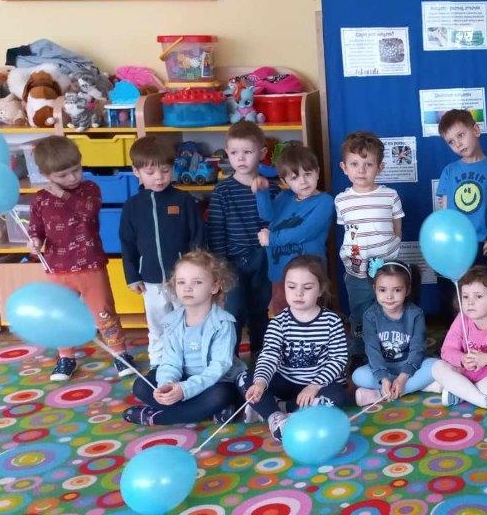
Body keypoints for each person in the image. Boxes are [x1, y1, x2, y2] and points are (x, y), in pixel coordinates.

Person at [27, 136, 135, 381]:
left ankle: (120, 353)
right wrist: (34, 242)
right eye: (63, 175)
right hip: (57, 269)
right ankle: (66, 357)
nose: (72, 178)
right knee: (62, 315)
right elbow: (36, 228)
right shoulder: (41, 199)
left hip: (91, 265)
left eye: (76, 170)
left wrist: (61, 194)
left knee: (104, 312)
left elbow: (86, 212)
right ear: (46, 174)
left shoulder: (90, 189)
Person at [124, 250, 244, 426]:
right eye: (181, 282)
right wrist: (168, 385)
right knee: (141, 386)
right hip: (182, 379)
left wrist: (185, 390)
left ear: (214, 287)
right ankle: (204, 412)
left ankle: (159, 417)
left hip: (214, 382)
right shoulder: (172, 322)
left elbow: (218, 368)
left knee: (222, 395)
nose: (187, 288)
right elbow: (170, 362)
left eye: (197, 282)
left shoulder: (223, 323)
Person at [241, 255, 352, 441]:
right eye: (291, 287)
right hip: (286, 382)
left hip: (319, 385)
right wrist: (260, 382)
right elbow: (269, 356)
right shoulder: (278, 322)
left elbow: (338, 359)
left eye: (307, 288)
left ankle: (283, 408)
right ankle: (275, 417)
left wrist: (314, 385)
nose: (298, 293)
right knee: (246, 378)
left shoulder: (332, 321)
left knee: (339, 397)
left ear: (320, 290)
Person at [119, 136, 204, 368]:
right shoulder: (132, 207)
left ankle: (192, 362)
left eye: (165, 171)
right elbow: (127, 243)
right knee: (157, 326)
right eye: (150, 172)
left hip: (183, 280)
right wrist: (132, 276)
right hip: (151, 281)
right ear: (136, 171)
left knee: (189, 322)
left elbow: (198, 236)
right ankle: (158, 364)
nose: (159, 177)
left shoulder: (184, 201)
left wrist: (198, 272)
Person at [208, 121, 279, 357]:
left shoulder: (272, 188)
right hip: (233, 262)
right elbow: (216, 230)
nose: (241, 158)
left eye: (247, 152)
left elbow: (276, 224)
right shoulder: (222, 191)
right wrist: (219, 266)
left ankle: (262, 357)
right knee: (234, 310)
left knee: (260, 309)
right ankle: (230, 359)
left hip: (263, 260)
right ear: (227, 154)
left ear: (262, 153)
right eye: (234, 152)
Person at [336, 131, 405, 367]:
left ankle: (390, 347)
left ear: (380, 167)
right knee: (360, 310)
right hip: (356, 270)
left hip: (386, 268)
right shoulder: (341, 200)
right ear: (344, 167)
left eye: (368, 164)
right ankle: (359, 350)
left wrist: (391, 250)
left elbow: (397, 228)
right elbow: (349, 232)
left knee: (388, 307)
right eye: (355, 164)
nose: (361, 170)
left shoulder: (390, 196)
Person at [253, 144, 335, 314]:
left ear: (317, 172)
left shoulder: (325, 201)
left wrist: (272, 239)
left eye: (308, 174)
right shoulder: (285, 197)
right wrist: (261, 193)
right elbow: (267, 216)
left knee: (313, 317)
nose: (303, 181)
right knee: (282, 316)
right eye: (294, 177)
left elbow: (304, 231)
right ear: (285, 181)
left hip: (309, 275)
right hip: (279, 273)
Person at [351, 259, 440, 406]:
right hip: (384, 368)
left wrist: (403, 377)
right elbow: (372, 351)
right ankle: (418, 386)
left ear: (407, 290)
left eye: (397, 290)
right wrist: (383, 379)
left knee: (437, 366)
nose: (389, 296)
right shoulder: (370, 316)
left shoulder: (415, 314)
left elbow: (417, 349)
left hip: (410, 367)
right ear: (374, 289)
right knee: (358, 375)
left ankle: (381, 394)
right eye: (382, 290)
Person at [431, 266, 487, 415]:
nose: (470, 302)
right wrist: (462, 359)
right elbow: (446, 351)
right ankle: (484, 401)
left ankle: (459, 393)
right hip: (463, 374)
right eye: (465, 297)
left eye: (478, 296)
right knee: (437, 367)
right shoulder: (462, 319)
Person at [435, 109, 487, 268]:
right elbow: (446, 213)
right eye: (451, 142)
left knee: (485, 283)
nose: (458, 144)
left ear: (476, 130)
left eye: (460, 135)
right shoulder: (449, 171)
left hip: (485, 244)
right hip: (457, 244)